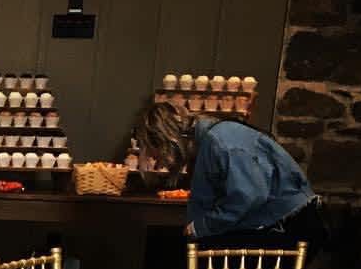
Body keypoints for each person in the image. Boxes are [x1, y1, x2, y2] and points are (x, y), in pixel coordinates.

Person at [133, 98, 322, 255]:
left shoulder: (221, 140)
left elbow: (249, 196)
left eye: (157, 154)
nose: (159, 162)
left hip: (289, 225)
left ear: (169, 141)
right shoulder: (205, 145)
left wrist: (202, 226)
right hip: (272, 223)